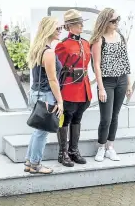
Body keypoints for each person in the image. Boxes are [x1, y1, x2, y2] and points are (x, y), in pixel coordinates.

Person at [90, 8, 132, 162]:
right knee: (106, 118)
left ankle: (110, 147)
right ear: (105, 22)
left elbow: (124, 61)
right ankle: (101, 147)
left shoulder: (121, 37)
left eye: (117, 19)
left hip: (121, 80)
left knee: (115, 116)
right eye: (113, 20)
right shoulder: (99, 39)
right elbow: (96, 65)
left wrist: (129, 84)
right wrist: (101, 87)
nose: (116, 23)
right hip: (106, 82)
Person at [24, 16, 64, 174]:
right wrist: (60, 101)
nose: (60, 31)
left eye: (61, 27)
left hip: (35, 93)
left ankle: (29, 162)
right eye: (57, 28)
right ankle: (36, 164)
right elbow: (52, 79)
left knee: (37, 131)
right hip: (46, 95)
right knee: (42, 133)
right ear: (49, 30)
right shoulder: (48, 52)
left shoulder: (37, 48)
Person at [54, 9, 92, 167]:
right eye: (78, 23)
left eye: (82, 22)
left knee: (78, 119)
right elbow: (57, 69)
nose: (81, 26)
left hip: (83, 87)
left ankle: (73, 150)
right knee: (65, 120)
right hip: (69, 88)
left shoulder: (85, 43)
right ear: (70, 27)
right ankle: (62, 153)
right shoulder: (62, 46)